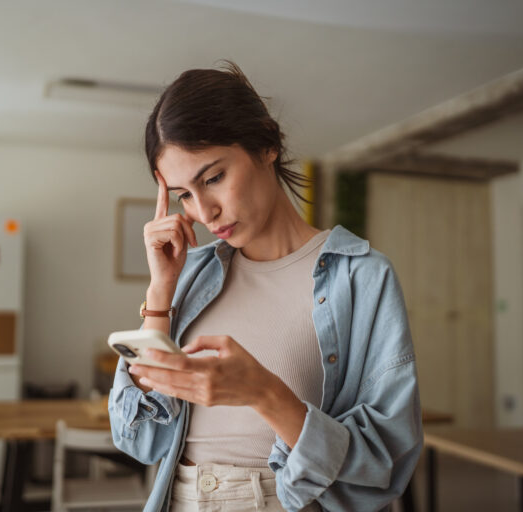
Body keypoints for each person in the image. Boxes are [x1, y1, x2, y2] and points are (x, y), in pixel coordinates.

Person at [108, 61, 423, 512]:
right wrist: (160, 294)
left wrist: (264, 394)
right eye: (184, 195)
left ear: (266, 143)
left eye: (213, 178)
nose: (204, 212)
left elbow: (386, 463)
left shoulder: (362, 278)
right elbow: (138, 440)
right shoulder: (189, 275)